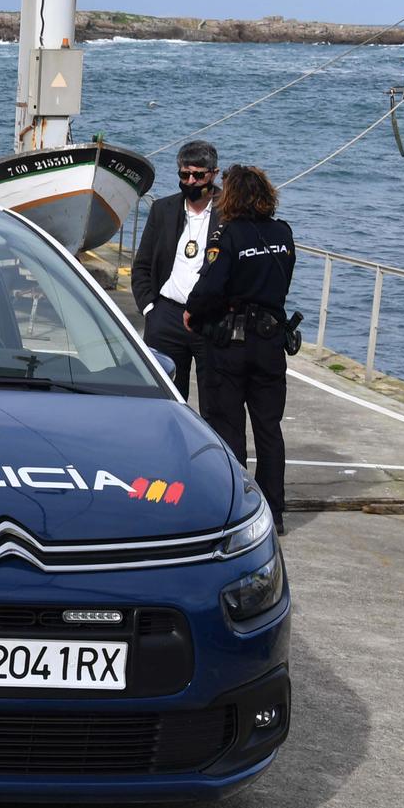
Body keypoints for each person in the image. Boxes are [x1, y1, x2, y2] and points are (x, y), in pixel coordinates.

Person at [184, 163, 296, 534]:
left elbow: (211, 288)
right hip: (270, 343)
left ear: (231, 196)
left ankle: (236, 508)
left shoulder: (226, 235)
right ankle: (274, 512)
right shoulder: (283, 233)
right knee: (269, 429)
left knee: (228, 427)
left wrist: (193, 314)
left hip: (230, 344)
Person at [130, 139, 221, 400]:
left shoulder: (228, 212)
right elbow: (142, 265)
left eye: (198, 175)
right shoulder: (163, 209)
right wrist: (150, 309)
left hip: (209, 320)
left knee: (215, 401)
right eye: (185, 174)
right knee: (165, 398)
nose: (191, 181)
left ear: (213, 174)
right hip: (166, 316)